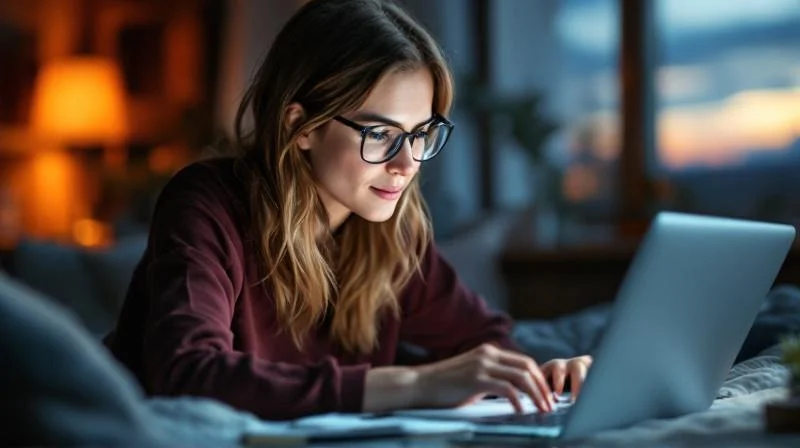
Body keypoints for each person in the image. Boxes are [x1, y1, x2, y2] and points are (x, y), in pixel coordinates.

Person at [105, 0, 592, 421]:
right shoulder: (208, 203)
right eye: (380, 134)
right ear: (302, 127)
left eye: (420, 134)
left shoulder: (390, 229)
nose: (407, 164)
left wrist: (542, 376)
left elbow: (484, 340)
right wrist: (413, 385)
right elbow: (189, 374)